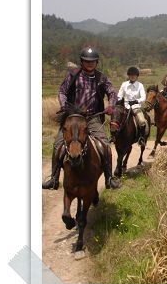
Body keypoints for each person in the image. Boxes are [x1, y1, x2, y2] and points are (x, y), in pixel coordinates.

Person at [42, 47, 121, 190]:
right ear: (82, 61)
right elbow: (62, 91)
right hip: (73, 118)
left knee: (104, 145)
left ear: (97, 62)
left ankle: (109, 178)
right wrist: (64, 105)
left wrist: (111, 104)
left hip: (92, 118)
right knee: (58, 144)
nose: (90, 64)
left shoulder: (101, 78)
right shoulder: (72, 75)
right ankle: (54, 178)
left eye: (93, 61)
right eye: (87, 61)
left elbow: (112, 93)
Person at [117, 66, 148, 146]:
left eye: (134, 75)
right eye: (131, 75)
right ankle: (114, 136)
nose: (132, 76)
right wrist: (119, 101)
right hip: (125, 106)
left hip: (135, 107)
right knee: (115, 118)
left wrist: (136, 101)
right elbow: (119, 95)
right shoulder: (124, 84)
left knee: (141, 121)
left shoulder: (140, 85)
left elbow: (143, 97)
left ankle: (141, 137)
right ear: (129, 75)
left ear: (137, 76)